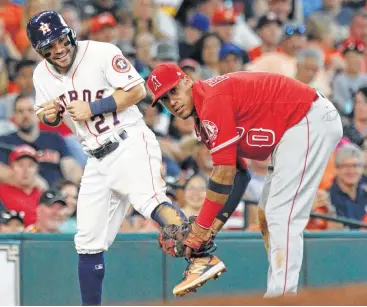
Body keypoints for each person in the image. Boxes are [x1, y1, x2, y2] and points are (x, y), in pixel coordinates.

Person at [26, 11, 225, 304]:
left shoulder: (101, 53)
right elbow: (47, 113)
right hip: (95, 158)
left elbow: (136, 90)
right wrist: (53, 116)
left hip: (128, 140)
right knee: (87, 241)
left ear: (69, 34)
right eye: (48, 46)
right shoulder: (41, 74)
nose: (57, 49)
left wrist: (94, 108)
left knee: (150, 200)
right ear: (39, 50)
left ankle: (202, 257)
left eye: (59, 40)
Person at [147, 63, 343, 297]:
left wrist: (200, 228)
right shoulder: (202, 115)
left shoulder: (211, 100)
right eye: (165, 101)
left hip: (309, 118)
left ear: (187, 81)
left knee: (281, 215)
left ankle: (281, 297)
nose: (173, 103)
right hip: (297, 126)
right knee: (267, 214)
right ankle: (280, 291)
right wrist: (212, 227)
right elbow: (241, 174)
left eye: (174, 91)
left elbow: (224, 172)